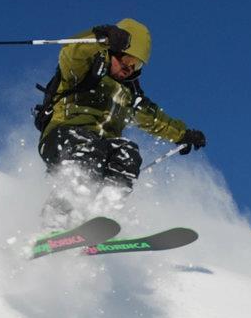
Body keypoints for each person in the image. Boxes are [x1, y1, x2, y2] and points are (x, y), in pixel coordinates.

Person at [36, 18, 206, 226]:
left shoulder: (129, 94)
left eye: (137, 64)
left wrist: (182, 134)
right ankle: (56, 217)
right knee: (90, 150)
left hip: (101, 146)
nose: (130, 68)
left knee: (128, 155)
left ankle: (99, 216)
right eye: (126, 59)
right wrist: (99, 39)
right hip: (63, 136)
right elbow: (71, 53)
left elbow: (153, 118)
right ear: (112, 52)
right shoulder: (84, 70)